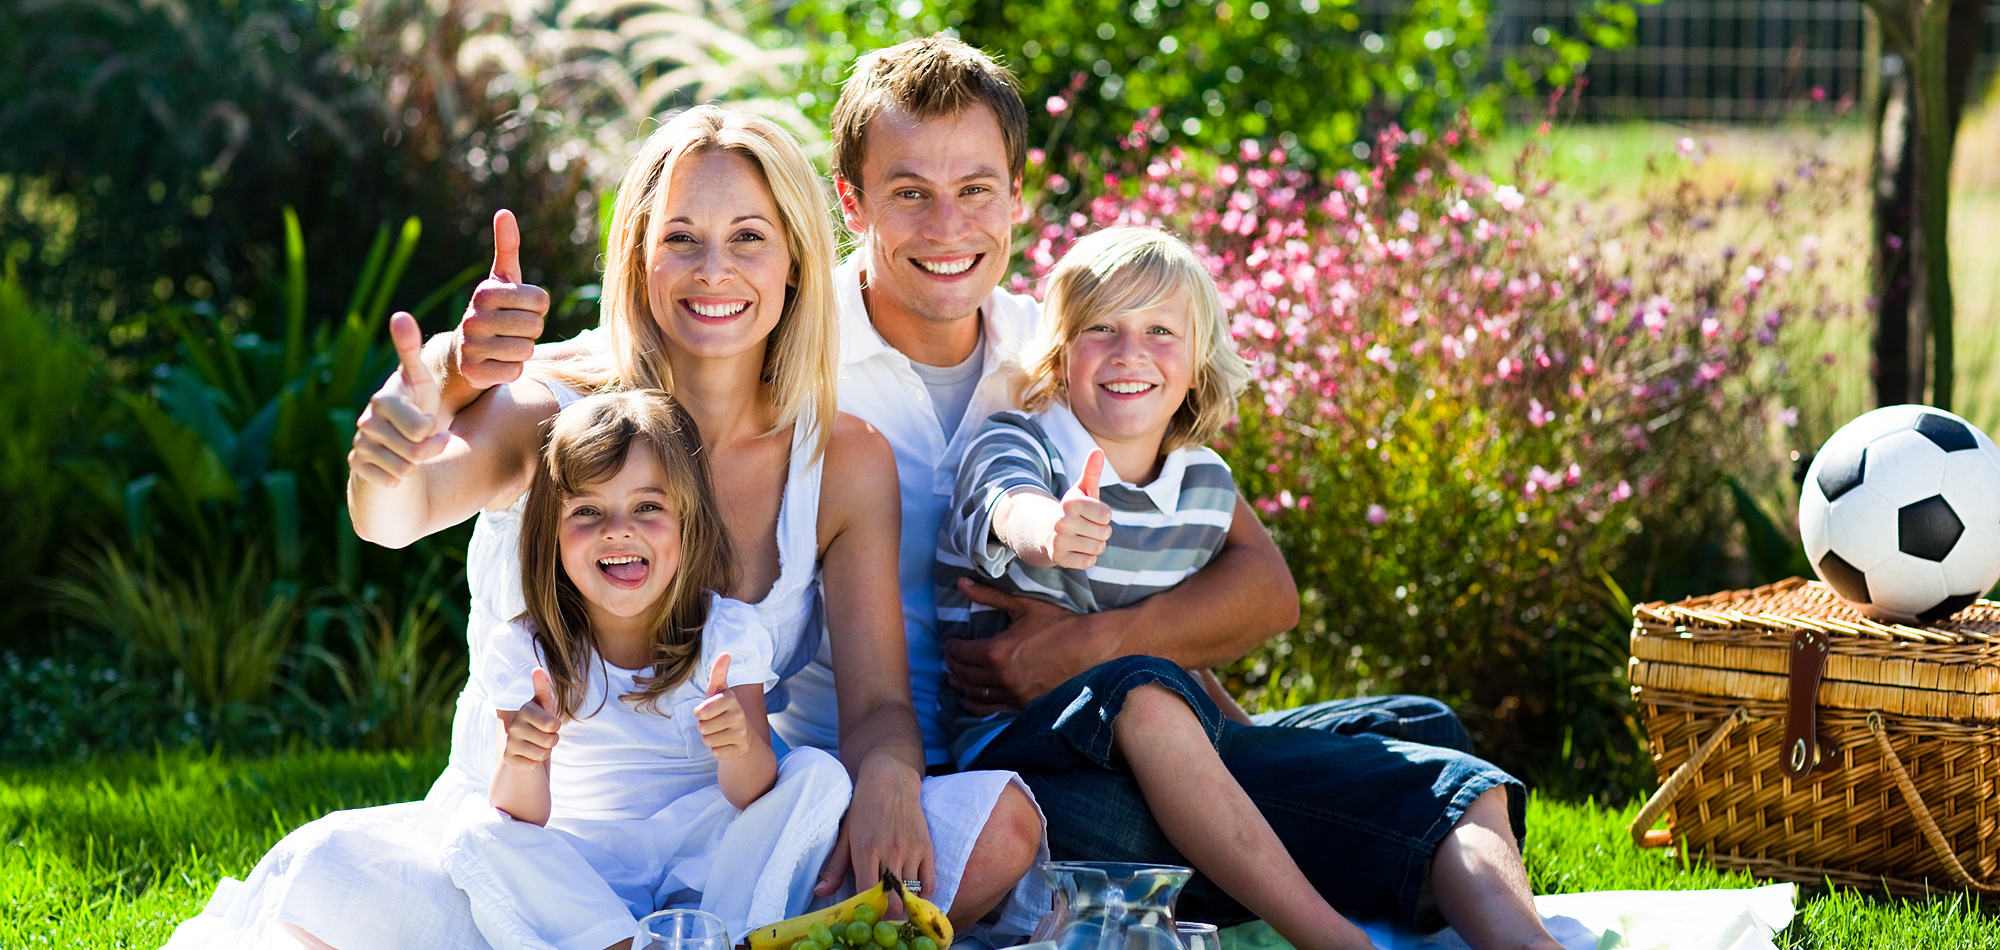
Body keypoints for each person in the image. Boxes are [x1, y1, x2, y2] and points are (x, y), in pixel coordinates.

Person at [164, 105, 1041, 950]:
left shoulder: (842, 457)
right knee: (331, 870)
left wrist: (888, 778)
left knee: (994, 828)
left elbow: (880, 703)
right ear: (637, 259)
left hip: (725, 846)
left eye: (747, 237)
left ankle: (704, 935)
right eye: (680, 239)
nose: (713, 270)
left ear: (796, 265)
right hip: (535, 846)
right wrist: (398, 433)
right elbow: (396, 515)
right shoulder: (553, 413)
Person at [932, 226, 1553, 950]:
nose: (1130, 352)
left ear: (1197, 365)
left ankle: (1497, 924)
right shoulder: (1020, 441)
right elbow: (1001, 501)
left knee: (1421, 724)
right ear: (1060, 354)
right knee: (1140, 684)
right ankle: (1333, 932)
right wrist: (1048, 528)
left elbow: (1185, 645)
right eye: (1101, 328)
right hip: (1037, 764)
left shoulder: (1201, 484)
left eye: (1159, 330)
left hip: (1164, 749)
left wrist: (1260, 753)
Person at [446, 389, 849, 950]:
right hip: (588, 864)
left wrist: (737, 746)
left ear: (687, 523)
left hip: (707, 860)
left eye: (647, 507)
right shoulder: (526, 650)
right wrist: (522, 759)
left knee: (817, 776)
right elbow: (522, 815)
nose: (618, 529)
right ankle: (620, 943)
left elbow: (753, 792)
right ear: (551, 534)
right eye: (587, 511)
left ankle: (731, 937)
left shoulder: (726, 635)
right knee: (480, 833)